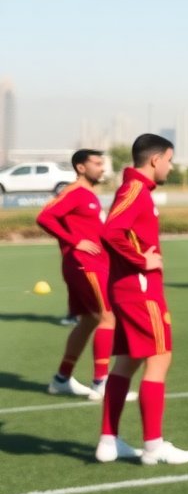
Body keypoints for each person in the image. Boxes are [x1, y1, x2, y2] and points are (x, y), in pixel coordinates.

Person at [96, 133, 188, 465]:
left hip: (129, 291)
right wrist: (142, 261)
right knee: (160, 359)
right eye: (169, 160)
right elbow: (111, 230)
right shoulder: (136, 189)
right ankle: (153, 447)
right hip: (140, 292)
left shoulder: (138, 190)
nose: (170, 166)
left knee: (127, 361)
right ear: (155, 160)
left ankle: (108, 442)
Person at [35, 149, 135, 402]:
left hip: (92, 264)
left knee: (89, 321)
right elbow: (44, 217)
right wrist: (74, 241)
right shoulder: (75, 192)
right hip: (85, 265)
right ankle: (101, 383)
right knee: (107, 318)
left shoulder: (88, 194)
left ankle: (61, 379)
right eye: (97, 163)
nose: (102, 168)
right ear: (81, 167)